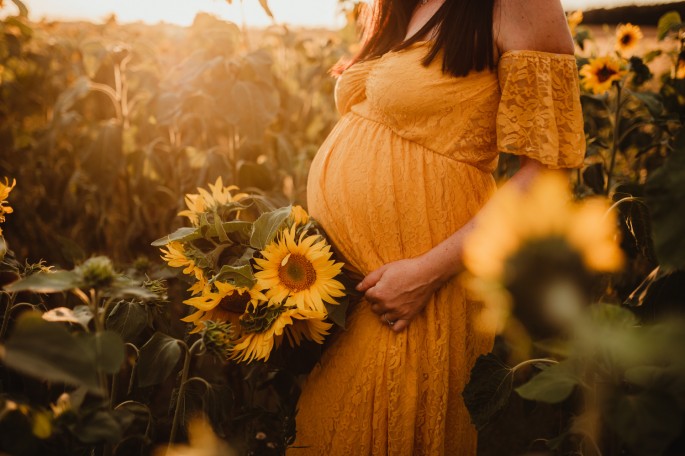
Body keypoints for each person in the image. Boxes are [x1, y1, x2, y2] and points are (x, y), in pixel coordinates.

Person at [291, 0, 585, 453]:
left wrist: (427, 272)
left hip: (418, 289)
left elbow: (547, 173)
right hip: (346, 289)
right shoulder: (396, 4)